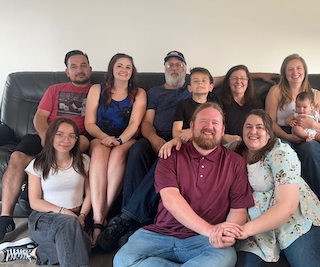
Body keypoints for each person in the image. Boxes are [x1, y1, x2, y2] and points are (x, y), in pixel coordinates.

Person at [97, 51, 279, 252]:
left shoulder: (193, 90)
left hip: (190, 140)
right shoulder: (155, 92)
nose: (174, 68)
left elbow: (227, 79)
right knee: (138, 149)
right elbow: (146, 123)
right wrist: (155, 139)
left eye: (179, 65)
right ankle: (128, 217)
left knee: (169, 154)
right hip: (157, 137)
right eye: (170, 65)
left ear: (185, 70)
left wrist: (258, 75)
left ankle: (130, 219)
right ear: (164, 68)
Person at [113, 102, 255, 266]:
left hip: (204, 241)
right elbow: (171, 200)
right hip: (161, 234)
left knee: (225, 258)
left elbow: (238, 209)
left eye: (215, 123)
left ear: (223, 130)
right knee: (122, 261)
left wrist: (226, 233)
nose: (209, 127)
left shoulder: (235, 162)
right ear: (192, 126)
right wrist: (210, 230)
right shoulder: (171, 154)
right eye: (203, 121)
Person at [0, 50, 92, 242]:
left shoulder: (97, 91)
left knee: (82, 143)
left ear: (90, 69)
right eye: (73, 66)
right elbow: (40, 117)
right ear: (67, 71)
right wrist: (46, 137)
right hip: (44, 135)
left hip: (74, 138)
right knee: (17, 157)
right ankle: (5, 218)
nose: (79, 70)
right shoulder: (55, 89)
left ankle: (38, 179)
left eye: (83, 65)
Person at [233, 109, 320, 267]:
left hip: (295, 220)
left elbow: (287, 206)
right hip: (257, 231)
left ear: (269, 133)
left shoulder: (280, 152)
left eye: (260, 127)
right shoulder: (234, 151)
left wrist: (244, 230)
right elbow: (209, 140)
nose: (253, 131)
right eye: (248, 126)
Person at [0, 118, 91, 265]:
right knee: (78, 240)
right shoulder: (38, 164)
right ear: (51, 136)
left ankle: (33, 251)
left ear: (76, 140)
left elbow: (89, 193)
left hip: (74, 218)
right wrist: (65, 212)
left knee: (84, 245)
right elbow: (35, 202)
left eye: (71, 136)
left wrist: (82, 215)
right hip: (43, 218)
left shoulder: (84, 161)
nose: (65, 140)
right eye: (59, 134)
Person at [265, 54, 320, 230]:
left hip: (311, 134)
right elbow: (269, 122)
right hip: (283, 134)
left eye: (298, 68)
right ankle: (289, 212)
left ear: (305, 71)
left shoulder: (316, 95)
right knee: (284, 154)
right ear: (284, 72)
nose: (295, 72)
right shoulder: (275, 91)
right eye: (290, 69)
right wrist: (287, 136)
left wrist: (313, 124)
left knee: (312, 149)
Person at [84, 53, 146, 246]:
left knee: (118, 154)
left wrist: (118, 140)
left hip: (126, 137)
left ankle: (101, 216)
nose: (124, 70)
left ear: (132, 71)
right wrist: (105, 138)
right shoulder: (97, 89)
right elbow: (89, 123)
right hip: (100, 135)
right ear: (112, 68)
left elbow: (135, 124)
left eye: (128, 67)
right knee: (99, 154)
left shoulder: (139, 93)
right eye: (120, 66)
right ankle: (98, 218)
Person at [220, 65, 264, 144]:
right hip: (227, 142)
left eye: (243, 78)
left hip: (252, 141)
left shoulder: (256, 101)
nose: (238, 81)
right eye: (234, 78)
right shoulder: (218, 100)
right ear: (228, 82)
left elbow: (263, 124)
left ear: (248, 82)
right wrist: (224, 137)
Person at [172, 67, 216, 142]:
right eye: (196, 81)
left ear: (210, 87)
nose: (200, 83)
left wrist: (193, 132)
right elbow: (175, 133)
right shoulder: (183, 105)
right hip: (188, 142)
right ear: (189, 88)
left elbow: (219, 131)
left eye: (204, 80)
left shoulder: (215, 106)